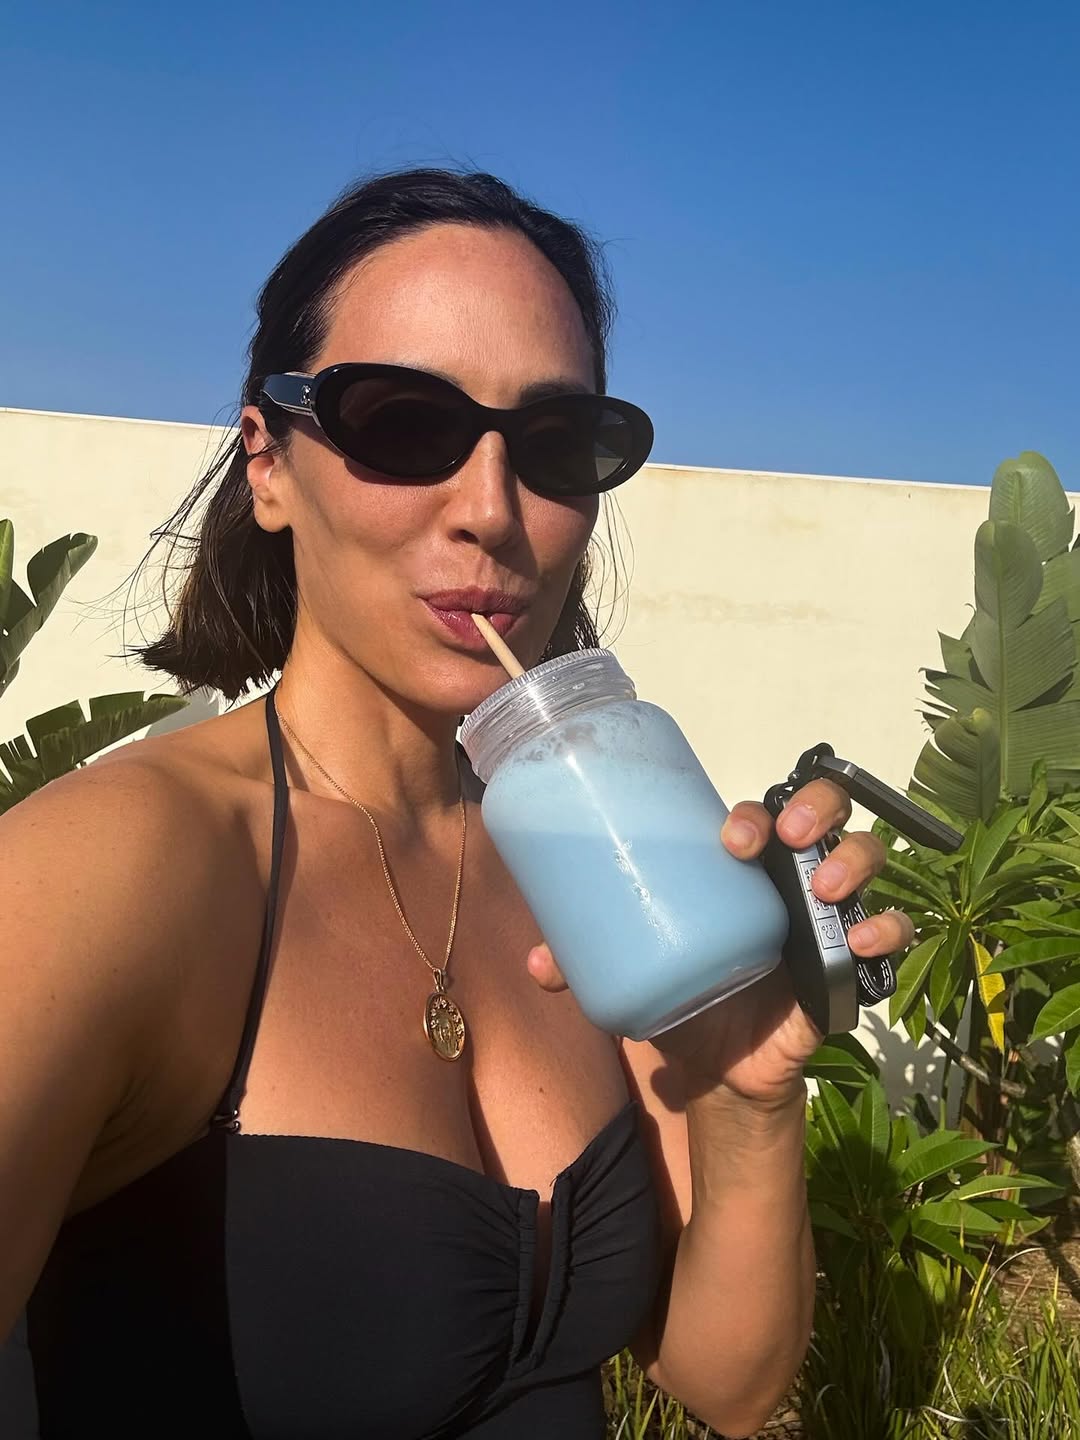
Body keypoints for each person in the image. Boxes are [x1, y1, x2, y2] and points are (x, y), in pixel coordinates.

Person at [0, 168, 913, 1438]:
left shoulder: (588, 862)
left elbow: (728, 1381)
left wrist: (746, 1097)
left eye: (555, 444)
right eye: (402, 422)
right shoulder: (119, 863)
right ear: (268, 464)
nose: (492, 511)